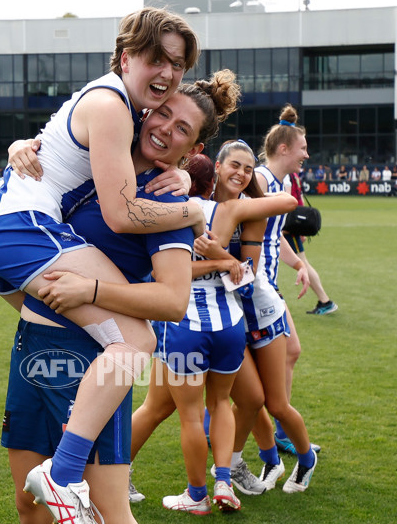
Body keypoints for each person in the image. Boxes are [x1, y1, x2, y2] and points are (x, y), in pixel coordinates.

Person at [0, 73, 250, 524]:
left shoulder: (165, 197)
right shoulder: (101, 164)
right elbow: (43, 192)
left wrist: (96, 285)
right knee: (31, 510)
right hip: (35, 351)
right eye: (161, 114)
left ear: (193, 148)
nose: (163, 128)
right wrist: (23, 147)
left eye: (182, 129)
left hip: (98, 368)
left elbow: (170, 304)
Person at [0, 7, 206, 524]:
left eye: (177, 64)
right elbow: (123, 215)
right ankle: (65, 472)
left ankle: (65, 460)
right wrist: (194, 212)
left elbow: (55, 151)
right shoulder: (113, 105)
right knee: (135, 338)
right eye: (156, 58)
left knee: (91, 340)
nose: (167, 72)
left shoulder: (110, 103)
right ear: (126, 58)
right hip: (20, 231)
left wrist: (18, 146)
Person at [129, 142, 297, 503]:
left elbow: (245, 271)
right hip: (212, 322)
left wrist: (223, 257)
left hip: (201, 323)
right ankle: (215, 477)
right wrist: (223, 262)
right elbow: (170, 272)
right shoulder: (215, 210)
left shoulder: (236, 209)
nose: (241, 174)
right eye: (234, 166)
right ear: (215, 171)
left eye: (249, 169)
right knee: (168, 406)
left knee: (243, 401)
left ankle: (216, 481)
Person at [233, 106, 319, 493]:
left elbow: (272, 236)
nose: (306, 154)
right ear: (284, 148)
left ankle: (280, 438)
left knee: (287, 362)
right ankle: (276, 443)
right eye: (302, 147)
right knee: (261, 392)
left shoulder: (278, 187)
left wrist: (298, 262)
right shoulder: (261, 181)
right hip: (254, 292)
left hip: (263, 293)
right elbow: (245, 232)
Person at [283, 171, 338, 316]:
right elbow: (299, 198)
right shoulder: (293, 174)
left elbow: (291, 199)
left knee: (303, 263)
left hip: (287, 227)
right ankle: (325, 301)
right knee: (302, 262)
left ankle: (325, 301)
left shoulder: (287, 174)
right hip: (292, 224)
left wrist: (298, 228)